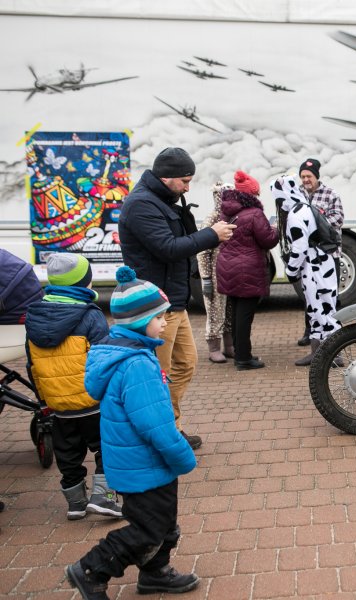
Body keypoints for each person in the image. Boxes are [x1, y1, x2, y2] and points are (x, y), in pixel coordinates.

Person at [65, 266, 199, 600]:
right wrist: (182, 455)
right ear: (140, 322)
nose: (165, 322)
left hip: (138, 465)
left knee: (164, 524)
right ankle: (91, 569)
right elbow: (155, 426)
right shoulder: (137, 365)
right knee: (147, 529)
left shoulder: (131, 354)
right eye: (160, 317)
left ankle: (155, 574)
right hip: (145, 467)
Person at [118, 147, 236, 450]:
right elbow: (168, 247)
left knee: (185, 365)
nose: (188, 186)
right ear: (166, 177)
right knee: (158, 375)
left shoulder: (162, 199)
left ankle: (169, 424)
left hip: (172, 302)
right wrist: (212, 235)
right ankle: (158, 434)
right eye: (184, 180)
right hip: (153, 307)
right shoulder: (141, 205)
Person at [24, 253, 123, 521]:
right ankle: (105, 498)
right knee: (107, 447)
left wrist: (44, 399)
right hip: (91, 402)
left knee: (67, 454)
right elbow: (104, 357)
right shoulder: (90, 315)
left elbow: (32, 365)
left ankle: (76, 504)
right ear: (83, 283)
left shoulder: (34, 316)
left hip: (58, 406)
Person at [270, 173, 343, 367]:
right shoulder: (304, 207)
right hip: (320, 265)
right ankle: (318, 353)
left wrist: (291, 270)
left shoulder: (295, 214)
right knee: (317, 309)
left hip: (315, 268)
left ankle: (333, 355)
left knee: (324, 310)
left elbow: (300, 246)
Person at [215, 171, 279, 370]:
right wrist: (275, 228)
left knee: (235, 313)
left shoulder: (226, 211)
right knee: (244, 316)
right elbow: (268, 240)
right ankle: (243, 357)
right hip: (247, 269)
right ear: (251, 195)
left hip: (228, 266)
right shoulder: (254, 214)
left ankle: (239, 352)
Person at [293, 158, 344, 347]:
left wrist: (314, 222)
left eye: (309, 176)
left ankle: (334, 334)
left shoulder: (331, 194)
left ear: (317, 177)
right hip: (307, 257)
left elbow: (338, 218)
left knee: (330, 297)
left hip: (329, 256)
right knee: (309, 295)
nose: (306, 180)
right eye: (303, 176)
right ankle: (310, 333)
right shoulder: (297, 194)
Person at [197, 183, 233, 363]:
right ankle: (213, 347)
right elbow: (203, 251)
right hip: (214, 274)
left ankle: (229, 345)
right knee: (215, 311)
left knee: (229, 310)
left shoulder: (231, 216)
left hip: (229, 272)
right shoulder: (212, 218)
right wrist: (206, 278)